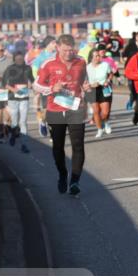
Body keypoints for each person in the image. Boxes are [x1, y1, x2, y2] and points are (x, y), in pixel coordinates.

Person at [33, 34, 90, 196]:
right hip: (55, 109)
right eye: (65, 50)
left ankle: (75, 181)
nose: (68, 54)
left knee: (78, 145)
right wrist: (52, 89)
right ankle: (63, 174)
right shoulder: (48, 63)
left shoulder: (81, 61)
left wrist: (86, 87)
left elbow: (84, 79)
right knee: (58, 147)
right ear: (58, 47)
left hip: (76, 108)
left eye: (71, 50)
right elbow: (37, 86)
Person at [2, 51, 34, 153]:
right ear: (14, 59)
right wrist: (13, 89)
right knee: (15, 121)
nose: (20, 61)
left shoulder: (28, 68)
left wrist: (31, 84)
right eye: (17, 59)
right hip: (13, 98)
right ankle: (12, 135)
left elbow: (32, 80)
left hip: (24, 97)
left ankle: (24, 144)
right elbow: (4, 83)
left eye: (21, 59)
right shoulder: (10, 68)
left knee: (23, 121)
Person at [31, 37, 57, 137]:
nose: (56, 44)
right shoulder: (41, 57)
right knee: (47, 109)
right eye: (54, 42)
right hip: (46, 87)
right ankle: (43, 121)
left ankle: (54, 131)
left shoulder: (58, 55)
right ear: (48, 44)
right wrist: (40, 82)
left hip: (58, 86)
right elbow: (34, 70)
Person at [86, 48, 114, 138]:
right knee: (96, 111)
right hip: (92, 90)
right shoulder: (87, 67)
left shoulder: (105, 65)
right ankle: (99, 129)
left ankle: (105, 122)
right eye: (96, 56)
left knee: (105, 112)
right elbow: (84, 79)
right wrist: (89, 85)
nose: (98, 57)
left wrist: (108, 80)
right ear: (91, 57)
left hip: (104, 88)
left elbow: (111, 73)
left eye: (99, 55)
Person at [121, 30, 138, 111]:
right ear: (136, 38)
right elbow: (123, 55)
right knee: (133, 90)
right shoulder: (131, 45)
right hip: (131, 71)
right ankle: (130, 101)